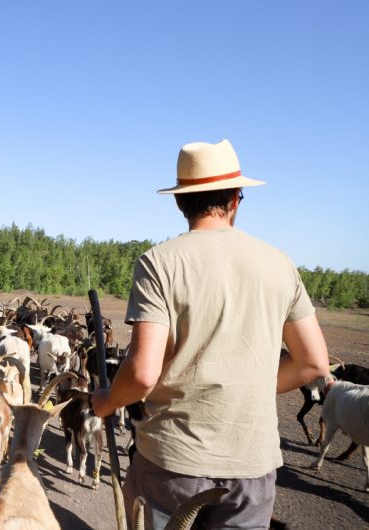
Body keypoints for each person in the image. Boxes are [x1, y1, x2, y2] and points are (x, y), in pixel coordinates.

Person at [91, 139, 330, 529]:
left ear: (180, 202)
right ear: (237, 199)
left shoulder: (159, 263)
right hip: (252, 468)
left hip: (171, 464)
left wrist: (105, 403)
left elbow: (142, 375)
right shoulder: (280, 264)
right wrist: (242, 388)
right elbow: (314, 362)